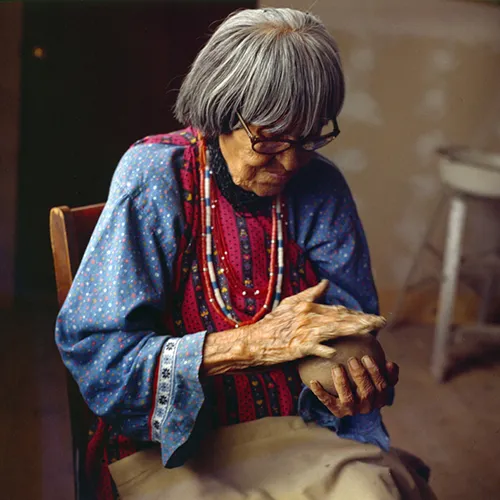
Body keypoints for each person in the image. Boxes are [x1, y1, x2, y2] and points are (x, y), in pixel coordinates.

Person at [56, 7, 431, 500]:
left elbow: (347, 323)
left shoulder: (322, 186)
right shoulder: (154, 175)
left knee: (378, 492)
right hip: (173, 446)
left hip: (295, 430)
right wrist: (252, 344)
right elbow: (98, 353)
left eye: (312, 135)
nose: (293, 161)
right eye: (271, 138)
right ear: (217, 114)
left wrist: (354, 376)